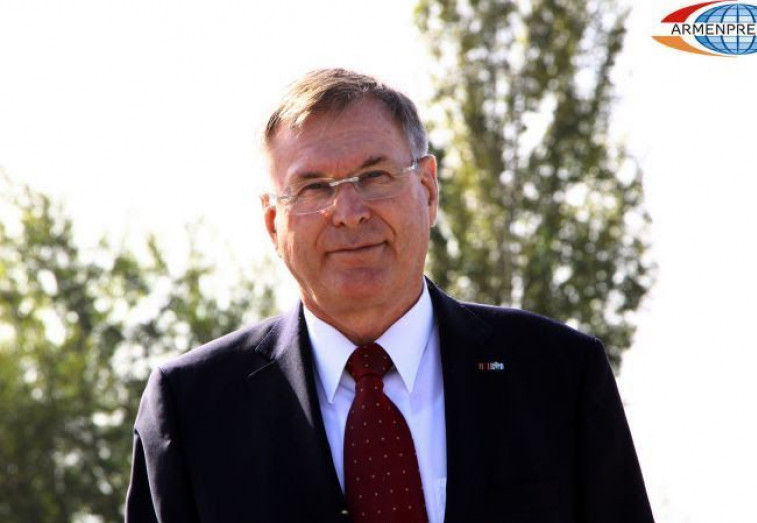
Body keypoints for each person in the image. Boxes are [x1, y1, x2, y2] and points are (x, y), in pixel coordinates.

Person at [125, 68, 654, 523]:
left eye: (374, 175)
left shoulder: (558, 374)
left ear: (428, 190)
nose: (349, 212)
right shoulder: (192, 410)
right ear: (272, 222)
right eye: (313, 187)